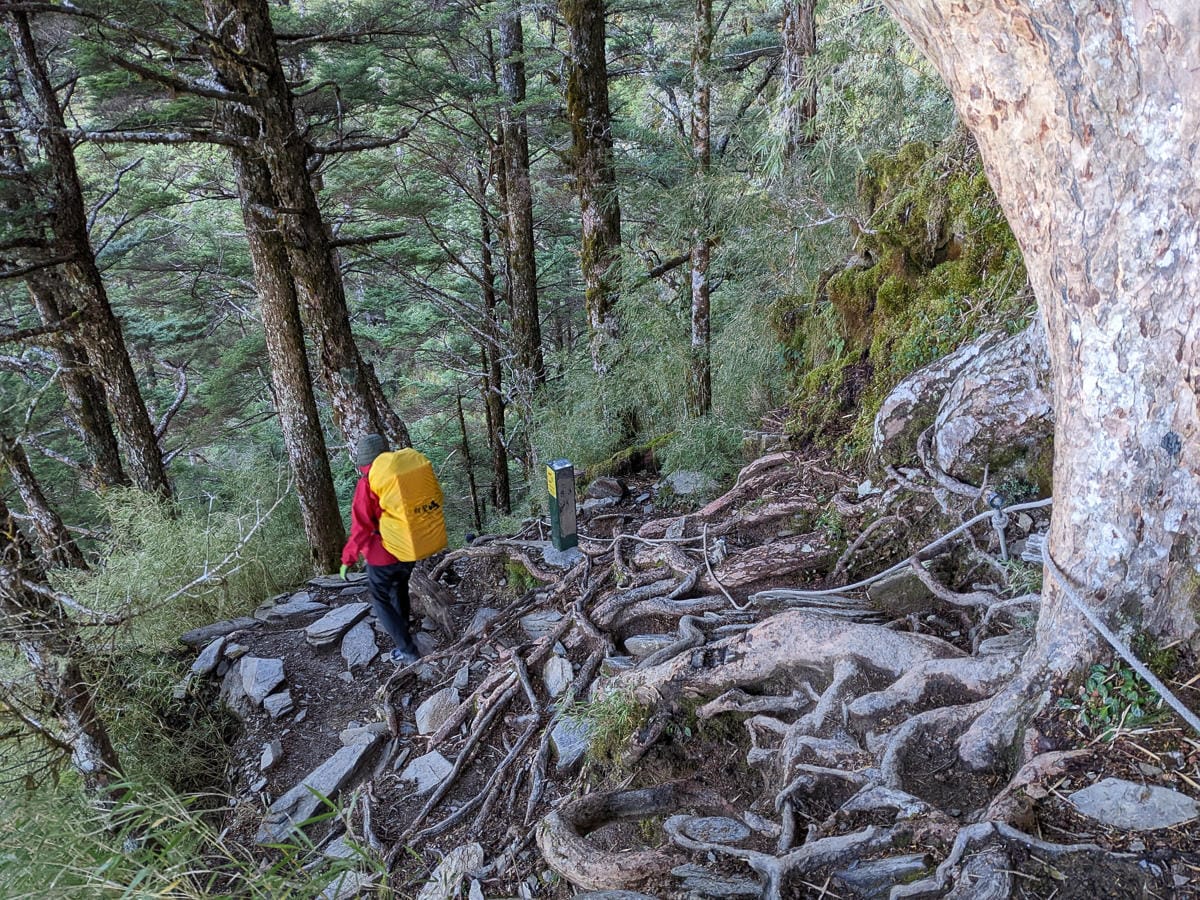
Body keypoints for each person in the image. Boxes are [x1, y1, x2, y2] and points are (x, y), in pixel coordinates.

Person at [341, 434, 421, 665]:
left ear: (363, 461)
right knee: (399, 588)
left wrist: (348, 558)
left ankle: (407, 650)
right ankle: (404, 633)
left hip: (382, 555)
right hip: (408, 550)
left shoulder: (368, 484)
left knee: (380, 599)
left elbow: (360, 528)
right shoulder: (404, 477)